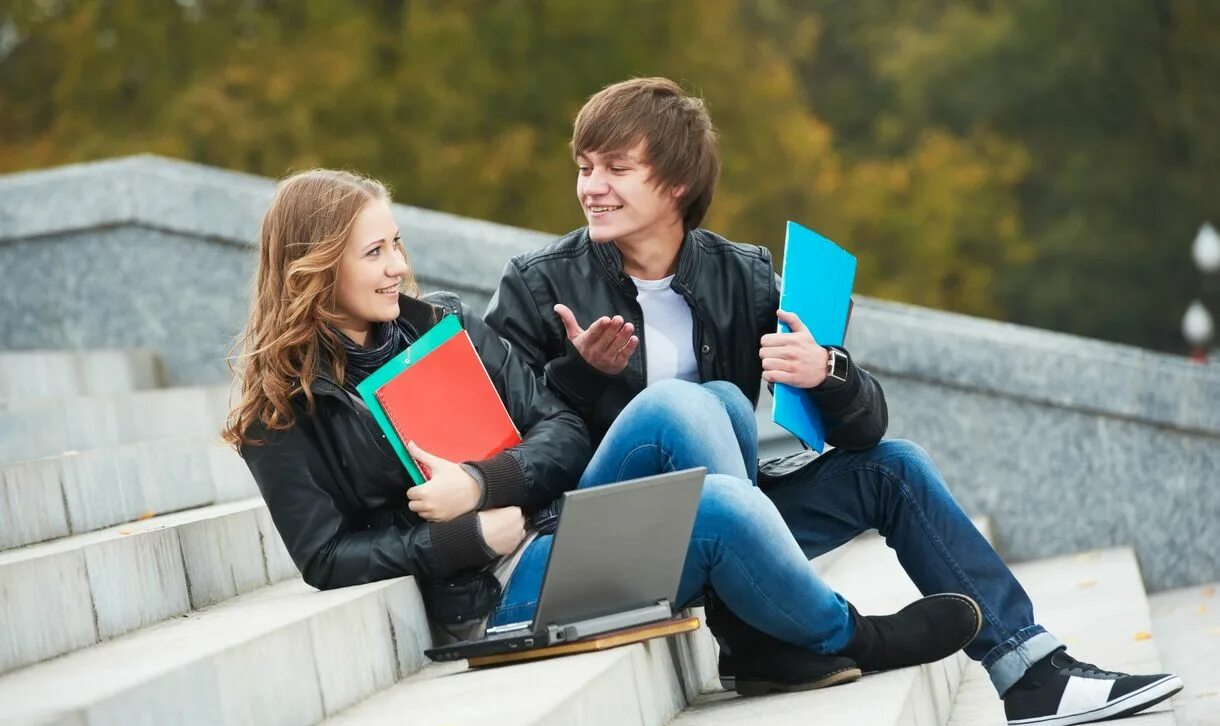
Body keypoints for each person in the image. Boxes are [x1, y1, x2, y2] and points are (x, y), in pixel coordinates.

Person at [483, 77, 1183, 726]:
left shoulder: (743, 276)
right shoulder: (540, 286)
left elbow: (861, 429)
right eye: (584, 168)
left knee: (883, 462)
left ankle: (1031, 669)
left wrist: (828, 373)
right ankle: (779, 633)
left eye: (615, 169)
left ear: (677, 183)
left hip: (722, 520)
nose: (592, 188)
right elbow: (511, 458)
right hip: (589, 536)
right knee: (685, 408)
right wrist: (577, 377)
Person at [223, 168, 981, 694]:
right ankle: (847, 639)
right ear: (313, 267)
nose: (398, 267)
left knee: (701, 398)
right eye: (375, 251)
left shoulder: (443, 326)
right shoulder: (279, 408)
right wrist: (464, 536)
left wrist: (486, 482)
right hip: (494, 590)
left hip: (552, 525)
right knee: (715, 506)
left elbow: (559, 428)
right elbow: (325, 557)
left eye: (397, 244)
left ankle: (760, 634)